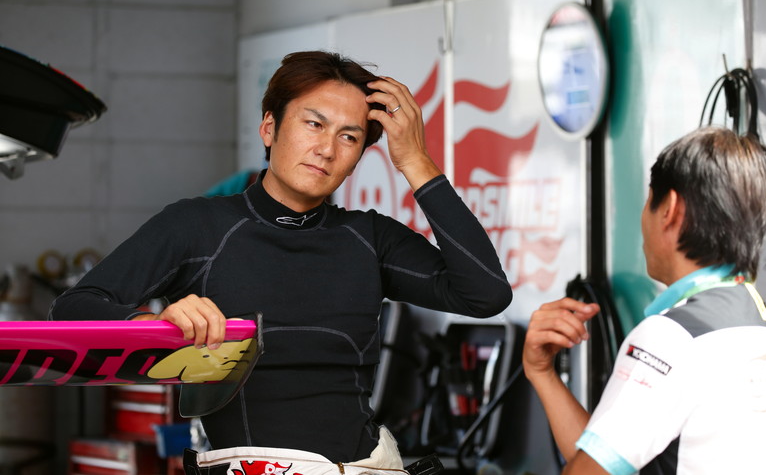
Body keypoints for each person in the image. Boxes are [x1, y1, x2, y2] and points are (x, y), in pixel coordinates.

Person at [49, 51, 512, 474]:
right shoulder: (196, 226)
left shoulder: (370, 238)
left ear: (356, 159)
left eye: (348, 137)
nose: (327, 149)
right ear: (269, 128)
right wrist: (152, 324)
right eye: (314, 124)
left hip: (366, 466)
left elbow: (485, 293)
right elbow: (72, 308)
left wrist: (415, 160)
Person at [523, 126, 766, 474]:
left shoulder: (674, 336)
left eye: (649, 200)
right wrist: (543, 373)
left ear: (670, 210)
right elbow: (608, 456)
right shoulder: (759, 325)